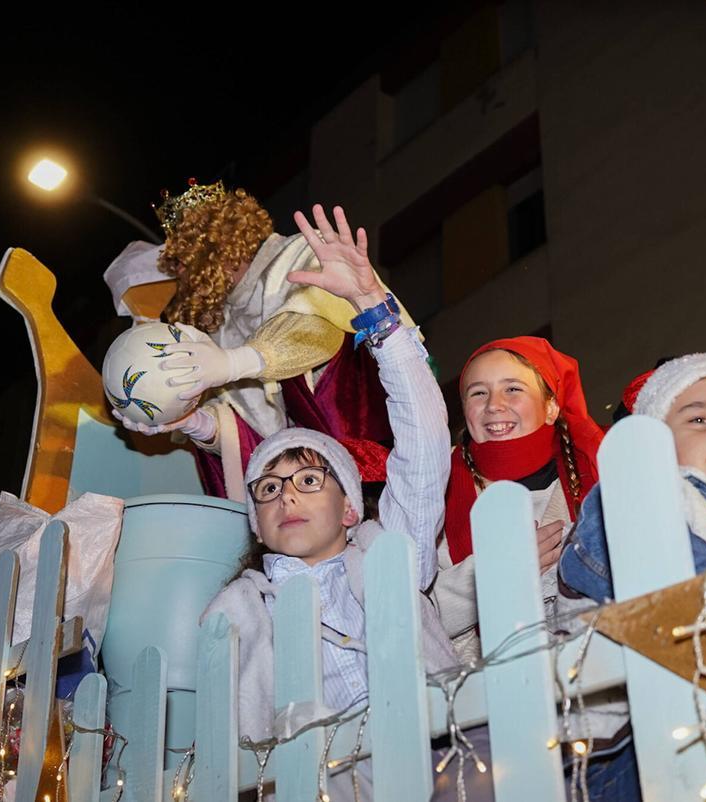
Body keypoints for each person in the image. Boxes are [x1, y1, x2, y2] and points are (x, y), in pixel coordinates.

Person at [198, 206, 489, 801]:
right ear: (256, 521)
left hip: (450, 768)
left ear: (351, 508)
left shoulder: (391, 554)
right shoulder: (232, 615)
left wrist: (376, 314)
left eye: (309, 480)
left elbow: (427, 441)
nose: (287, 496)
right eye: (269, 488)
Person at [107, 182, 417, 496]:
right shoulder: (217, 326)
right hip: (297, 494)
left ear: (219, 243)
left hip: (372, 474)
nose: (182, 276)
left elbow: (317, 329)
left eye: (184, 259)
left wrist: (235, 362)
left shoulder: (302, 255)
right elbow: (264, 441)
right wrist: (197, 423)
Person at [558, 352, 706, 788]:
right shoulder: (629, 497)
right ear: (652, 439)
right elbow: (700, 604)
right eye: (700, 420)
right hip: (624, 752)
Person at [433, 338, 605, 662]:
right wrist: (494, 572)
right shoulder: (435, 495)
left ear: (551, 407)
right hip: (483, 694)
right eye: (478, 392)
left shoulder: (600, 475)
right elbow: (410, 621)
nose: (494, 405)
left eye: (512, 389)